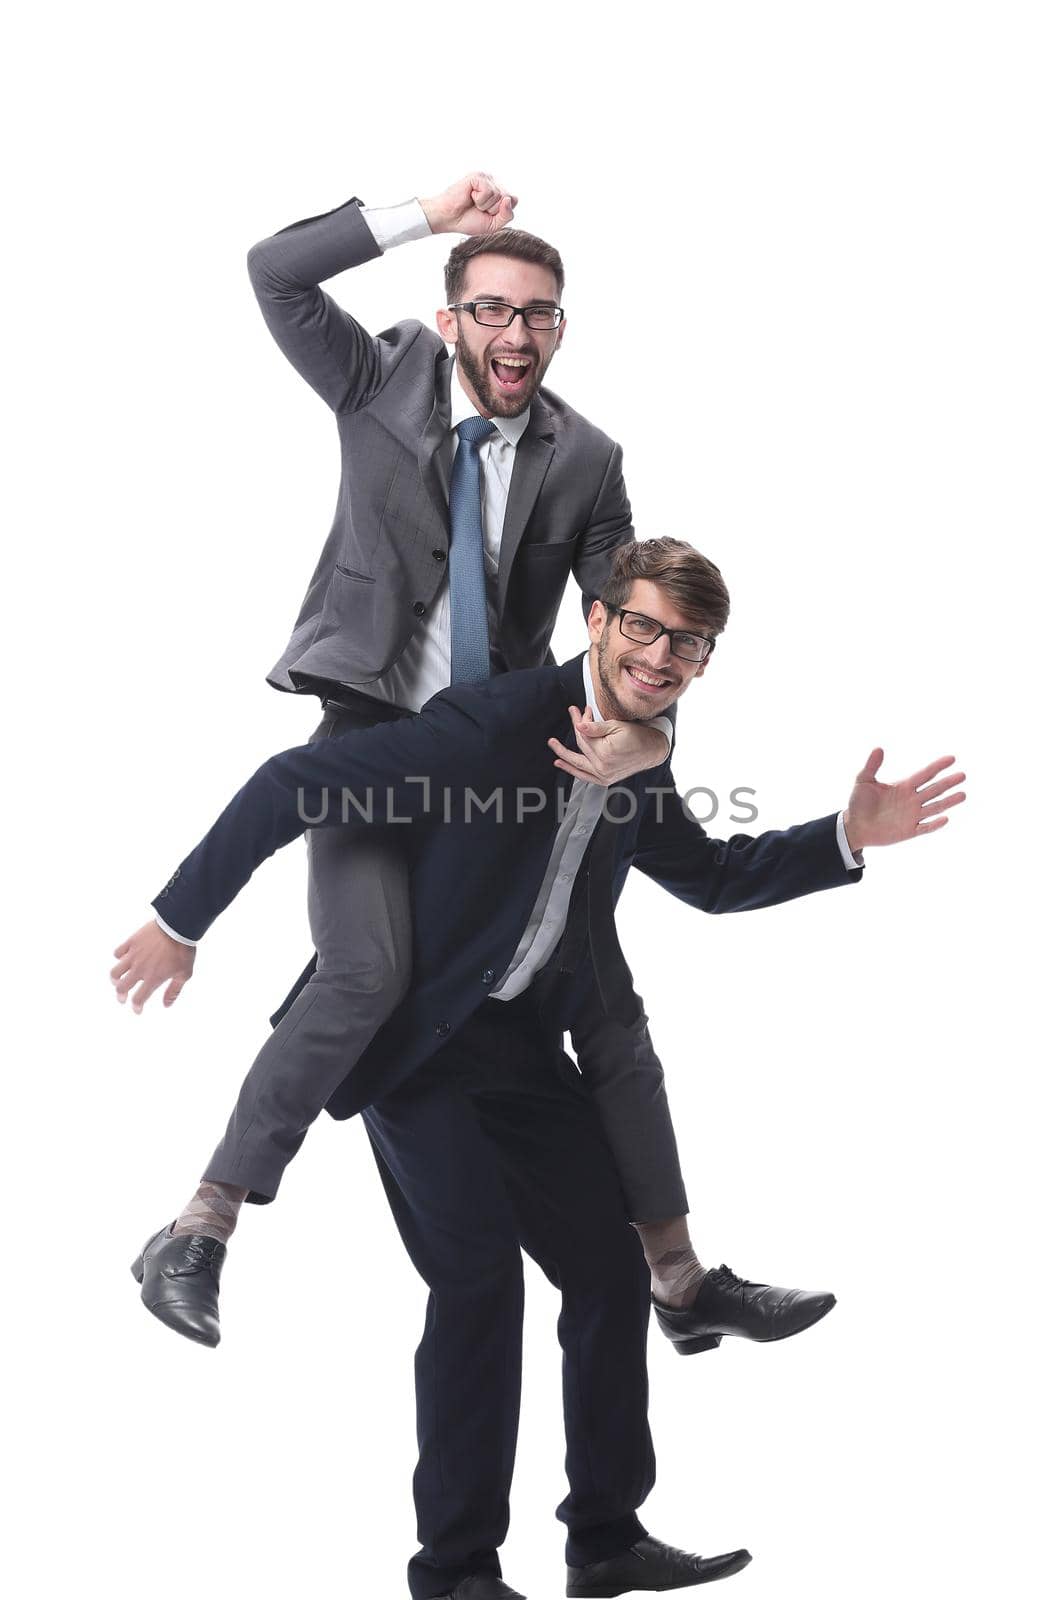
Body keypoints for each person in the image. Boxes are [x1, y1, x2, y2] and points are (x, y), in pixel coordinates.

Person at [119, 539, 965, 1598]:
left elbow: (706, 876)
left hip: (520, 1046)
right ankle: (456, 1570)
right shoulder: (494, 726)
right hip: (420, 1046)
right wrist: (178, 918)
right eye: (644, 627)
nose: (661, 655)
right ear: (601, 621)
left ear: (706, 659)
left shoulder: (642, 750)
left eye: (688, 644)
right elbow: (295, 781)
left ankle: (605, 1540)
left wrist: (842, 835)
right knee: (478, 1281)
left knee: (609, 1275)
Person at [117, 170, 680, 1283]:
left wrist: (650, 745)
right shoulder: (379, 378)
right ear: (451, 319)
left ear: (558, 329)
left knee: (602, 989)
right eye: (491, 308)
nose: (515, 333)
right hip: (373, 741)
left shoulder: (588, 460)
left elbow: (630, 626)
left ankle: (674, 1272)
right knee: (368, 969)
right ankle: (201, 1224)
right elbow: (273, 272)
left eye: (537, 314)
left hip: (497, 763)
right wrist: (429, 215)